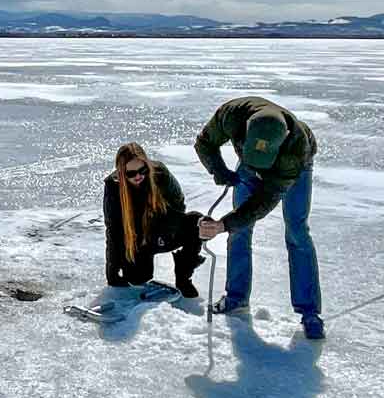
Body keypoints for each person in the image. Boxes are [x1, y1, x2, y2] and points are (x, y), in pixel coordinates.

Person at [195, 97, 323, 339]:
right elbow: (204, 143)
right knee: (240, 231)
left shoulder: (295, 150)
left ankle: (310, 313)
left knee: (297, 230)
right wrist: (219, 170)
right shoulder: (231, 116)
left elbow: (263, 201)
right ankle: (236, 297)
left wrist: (223, 224)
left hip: (295, 168)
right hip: (248, 158)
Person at [104, 142, 205, 298]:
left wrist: (163, 233)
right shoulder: (113, 186)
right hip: (137, 240)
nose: (138, 176)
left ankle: (184, 275)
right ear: (121, 173)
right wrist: (112, 271)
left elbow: (178, 205)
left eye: (142, 170)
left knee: (198, 222)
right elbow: (114, 231)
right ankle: (139, 267)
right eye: (131, 173)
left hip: (162, 232)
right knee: (137, 279)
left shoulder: (160, 173)